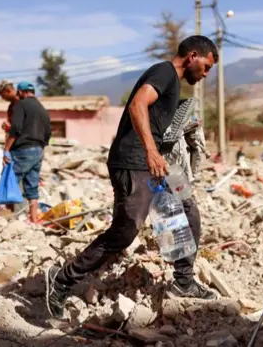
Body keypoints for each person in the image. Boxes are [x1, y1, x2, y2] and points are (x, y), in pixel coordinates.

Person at [44, 35, 218, 318]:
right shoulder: (165, 72)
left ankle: (184, 283)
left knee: (187, 211)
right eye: (207, 66)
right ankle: (62, 279)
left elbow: (154, 118)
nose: (206, 73)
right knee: (125, 232)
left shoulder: (173, 83)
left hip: (155, 166)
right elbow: (138, 105)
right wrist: (150, 150)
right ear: (192, 56)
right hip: (136, 162)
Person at [0, 80, 51, 223]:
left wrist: (7, 149)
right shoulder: (42, 108)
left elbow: (16, 128)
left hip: (22, 149)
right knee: (32, 187)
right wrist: (40, 148)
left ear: (20, 92)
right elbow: (48, 133)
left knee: (10, 179)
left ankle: (9, 218)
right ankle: (34, 219)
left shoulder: (20, 104)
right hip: (38, 150)